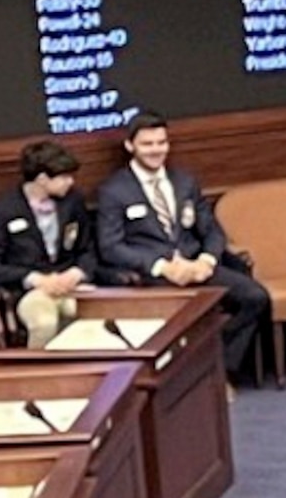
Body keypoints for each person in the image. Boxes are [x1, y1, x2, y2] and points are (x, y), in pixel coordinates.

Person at [94, 112, 273, 384]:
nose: (156, 150)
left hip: (195, 266)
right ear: (130, 146)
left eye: (162, 143)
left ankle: (218, 370)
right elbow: (110, 247)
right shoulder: (113, 190)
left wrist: (206, 261)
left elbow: (212, 230)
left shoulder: (184, 182)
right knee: (175, 321)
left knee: (255, 297)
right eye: (148, 144)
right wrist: (162, 266)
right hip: (153, 275)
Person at [0, 139, 95, 345]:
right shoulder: (3, 209)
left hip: (70, 283)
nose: (70, 182)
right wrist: (34, 279)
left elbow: (88, 248)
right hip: (29, 290)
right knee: (44, 323)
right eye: (64, 177)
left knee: (96, 316)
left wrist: (76, 273)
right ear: (43, 179)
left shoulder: (73, 202)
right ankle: (42, 374)